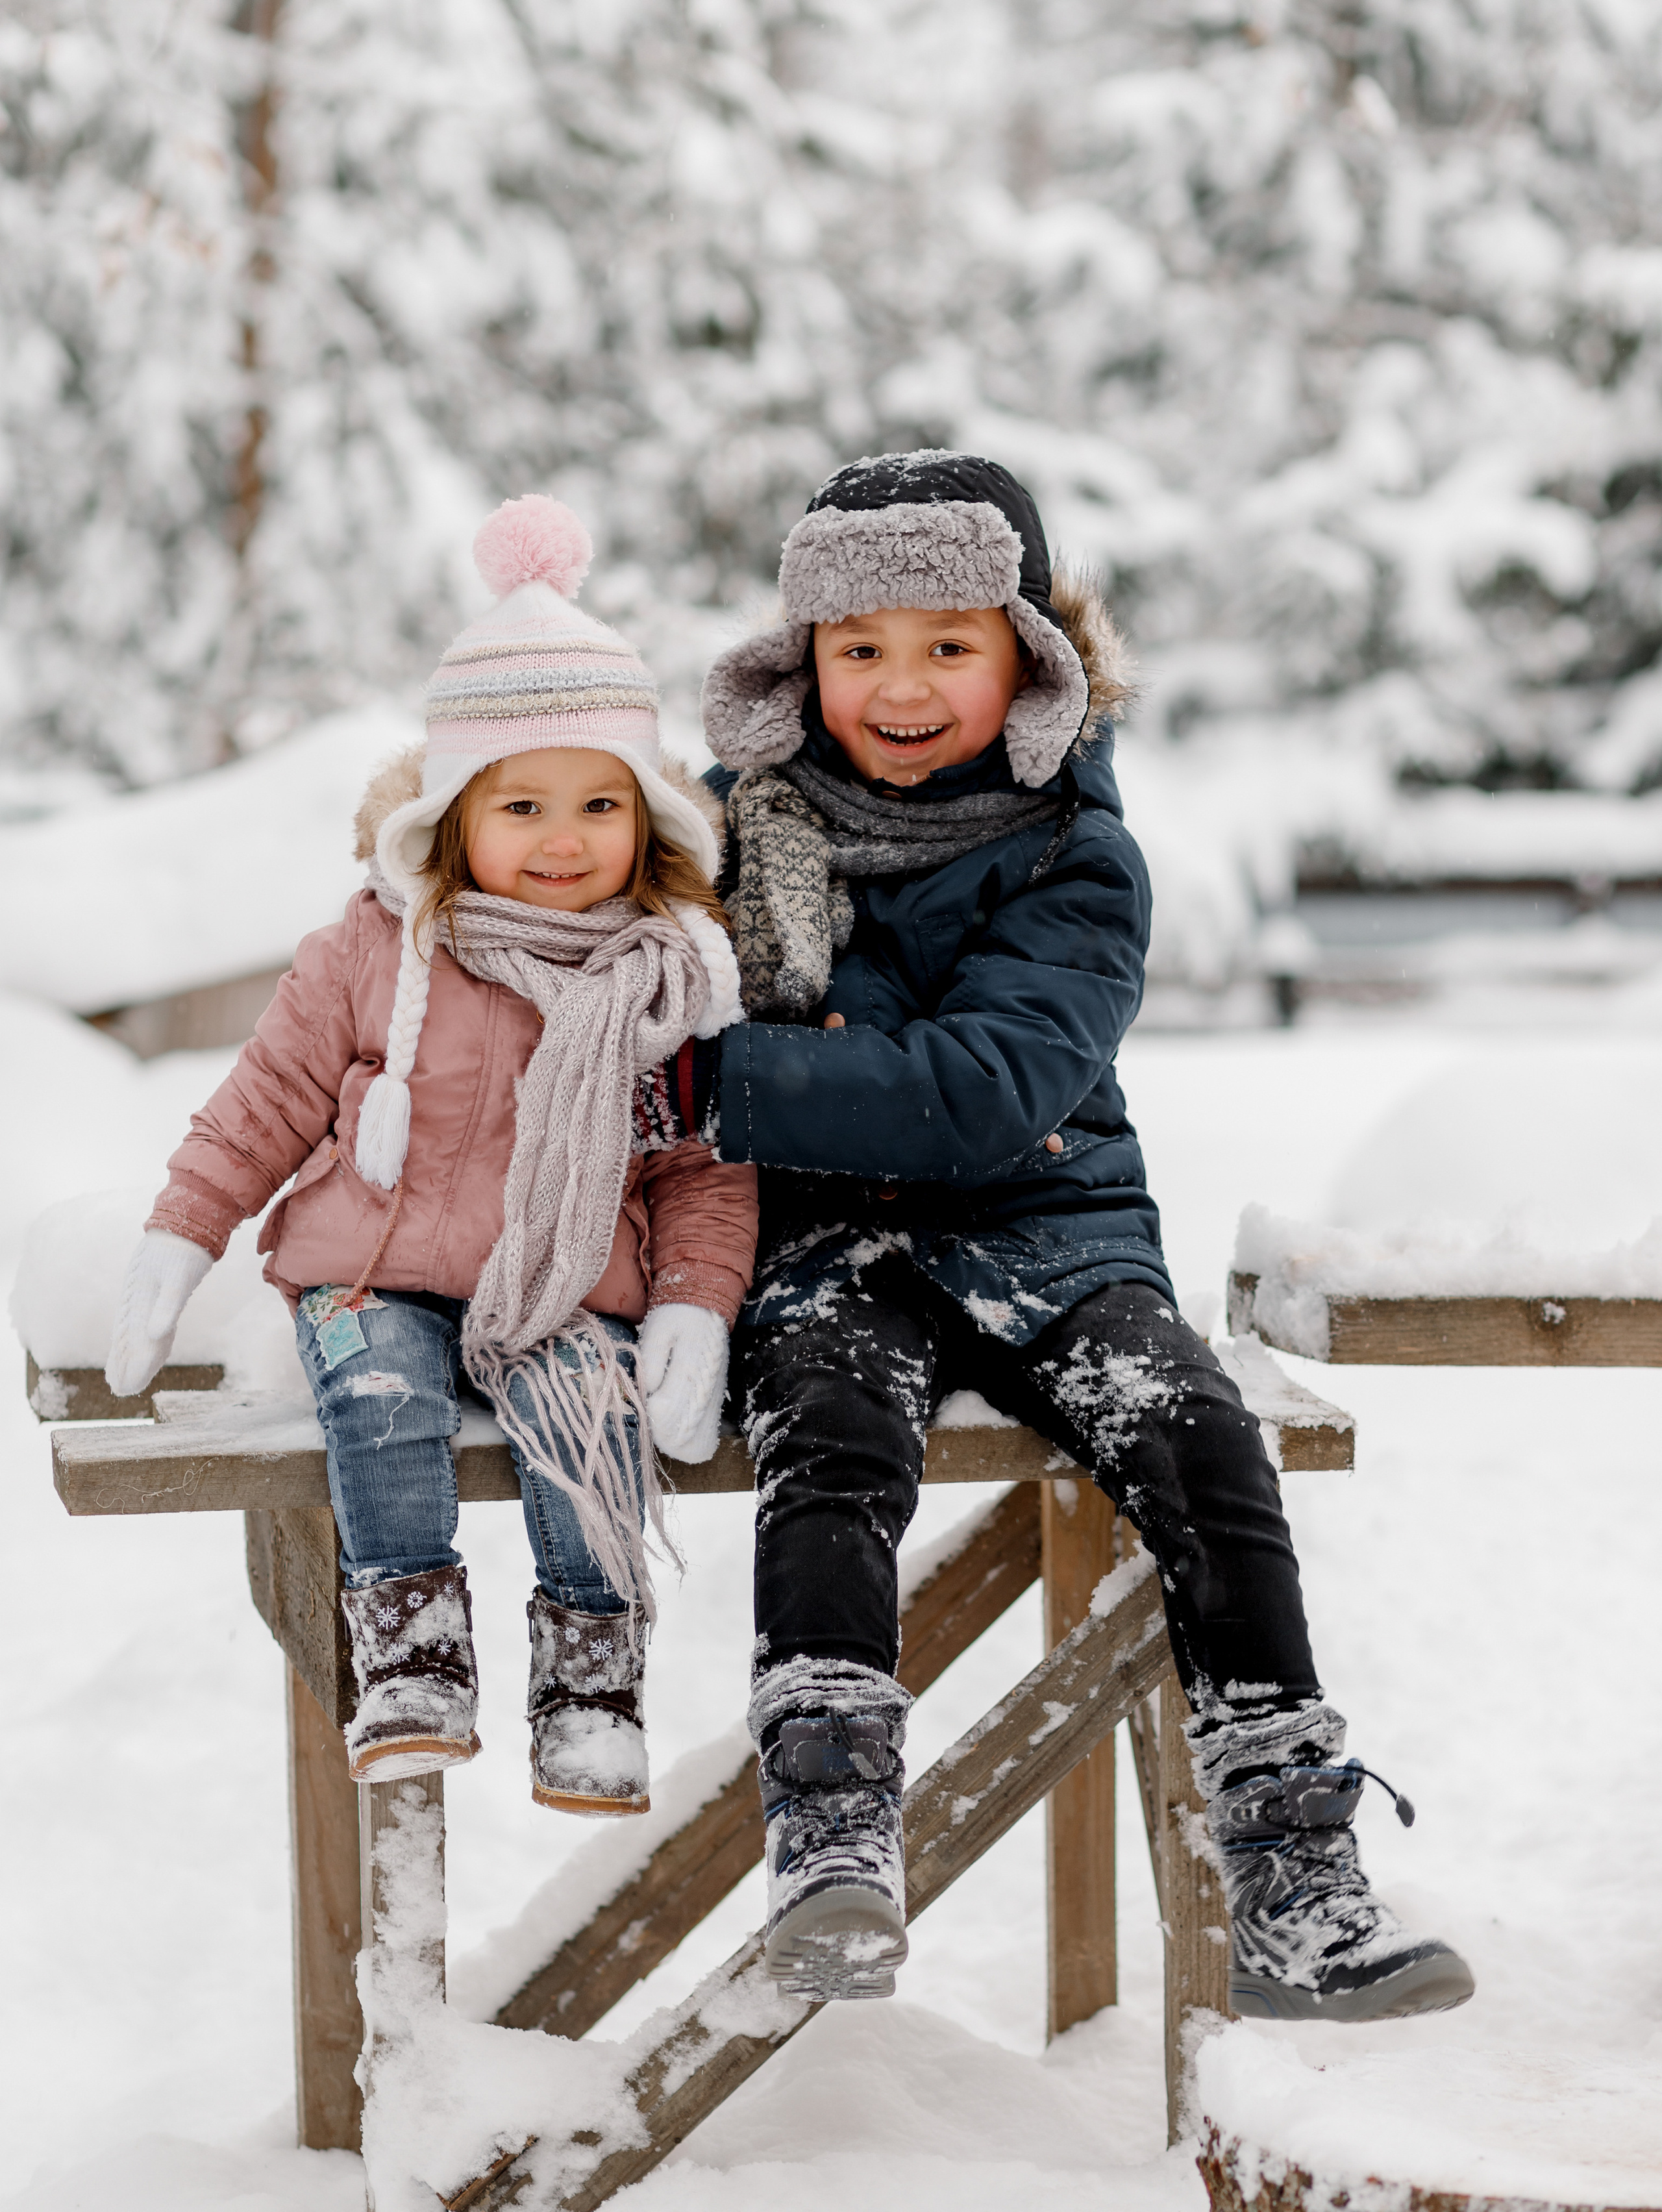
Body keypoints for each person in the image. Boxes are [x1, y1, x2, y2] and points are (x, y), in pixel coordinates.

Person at [699, 449, 1475, 2020]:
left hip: (1047, 1225)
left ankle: (1288, 1868)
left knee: (1190, 1427)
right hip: (822, 1243)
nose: (900, 686)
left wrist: (727, 1079)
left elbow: (981, 1091)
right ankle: (831, 1826)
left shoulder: (1074, 854)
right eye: (859, 648)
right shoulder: (721, 839)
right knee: (828, 1427)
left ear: (1031, 660)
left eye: (947, 645)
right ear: (801, 665)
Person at [104, 496, 758, 1817]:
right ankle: (410, 1656)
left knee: (589, 1422)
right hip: (374, 1272)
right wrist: (183, 1231)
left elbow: (703, 1165)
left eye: (599, 804)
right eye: (523, 804)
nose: (564, 838)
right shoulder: (373, 946)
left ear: (649, 822)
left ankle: (591, 1682)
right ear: (455, 817)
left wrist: (695, 1303)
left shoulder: (665, 981)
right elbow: (265, 1099)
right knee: (383, 1403)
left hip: (566, 1285)